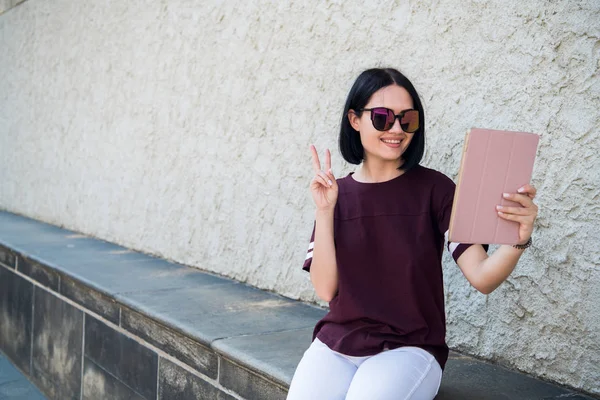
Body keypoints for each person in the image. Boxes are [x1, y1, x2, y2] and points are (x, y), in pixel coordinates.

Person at [286, 68, 539, 400]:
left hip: (409, 349)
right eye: (382, 117)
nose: (396, 129)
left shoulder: (436, 190)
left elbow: (482, 275)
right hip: (337, 344)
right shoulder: (337, 194)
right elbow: (325, 288)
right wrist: (325, 210)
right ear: (354, 119)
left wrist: (518, 238)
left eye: (408, 120)